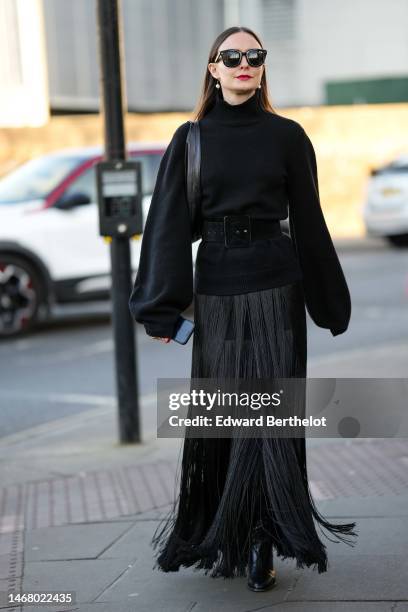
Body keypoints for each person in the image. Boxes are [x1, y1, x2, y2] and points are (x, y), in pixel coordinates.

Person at [128, 25, 358, 592]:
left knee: (270, 420)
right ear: (213, 68)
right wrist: (161, 308)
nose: (244, 64)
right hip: (218, 291)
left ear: (262, 67)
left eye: (254, 56)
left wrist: (329, 302)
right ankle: (224, 530)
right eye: (231, 56)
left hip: (278, 287)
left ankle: (262, 537)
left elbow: (309, 221)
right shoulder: (191, 138)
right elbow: (167, 226)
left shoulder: (287, 136)